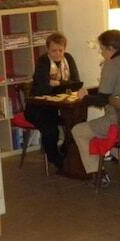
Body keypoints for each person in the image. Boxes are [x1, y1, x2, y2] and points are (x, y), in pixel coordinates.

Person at [71, 29, 120, 186]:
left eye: (102, 48)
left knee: (78, 131)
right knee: (103, 133)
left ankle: (98, 175)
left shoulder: (111, 65)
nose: (101, 52)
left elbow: (102, 99)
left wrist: (84, 97)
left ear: (111, 48)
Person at [24, 32, 81, 170]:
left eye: (61, 50)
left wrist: (56, 83)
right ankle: (56, 159)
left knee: (75, 126)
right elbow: (43, 87)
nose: (58, 54)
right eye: (54, 50)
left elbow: (76, 82)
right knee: (51, 130)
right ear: (47, 50)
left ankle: (65, 154)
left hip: (58, 106)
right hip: (38, 107)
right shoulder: (43, 61)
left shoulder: (68, 59)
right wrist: (64, 84)